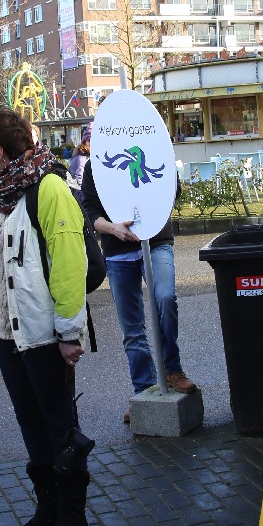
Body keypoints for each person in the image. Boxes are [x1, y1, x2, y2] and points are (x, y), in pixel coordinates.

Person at [0, 109, 91, 526]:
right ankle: (48, 508)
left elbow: (69, 263)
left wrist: (69, 333)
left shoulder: (49, 187)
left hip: (43, 334)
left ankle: (73, 517)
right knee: (30, 421)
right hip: (8, 333)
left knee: (58, 423)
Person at [81, 166, 197, 422]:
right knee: (132, 330)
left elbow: (172, 189)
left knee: (165, 297)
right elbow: (90, 209)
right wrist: (113, 228)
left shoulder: (151, 143)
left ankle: (172, 369)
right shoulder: (95, 163)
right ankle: (144, 392)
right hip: (117, 251)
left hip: (156, 241)